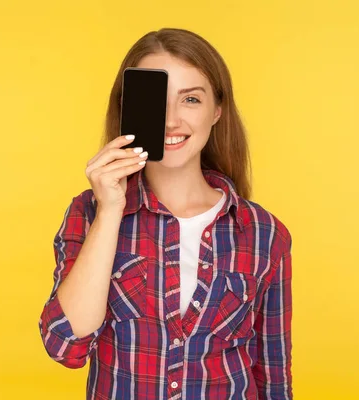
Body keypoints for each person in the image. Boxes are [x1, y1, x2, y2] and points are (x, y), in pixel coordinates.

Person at [38, 27, 293, 400]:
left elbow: (272, 376)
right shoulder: (89, 212)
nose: (171, 120)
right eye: (158, 101)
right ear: (129, 109)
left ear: (217, 110)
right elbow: (65, 346)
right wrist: (111, 210)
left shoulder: (264, 233)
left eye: (190, 99)